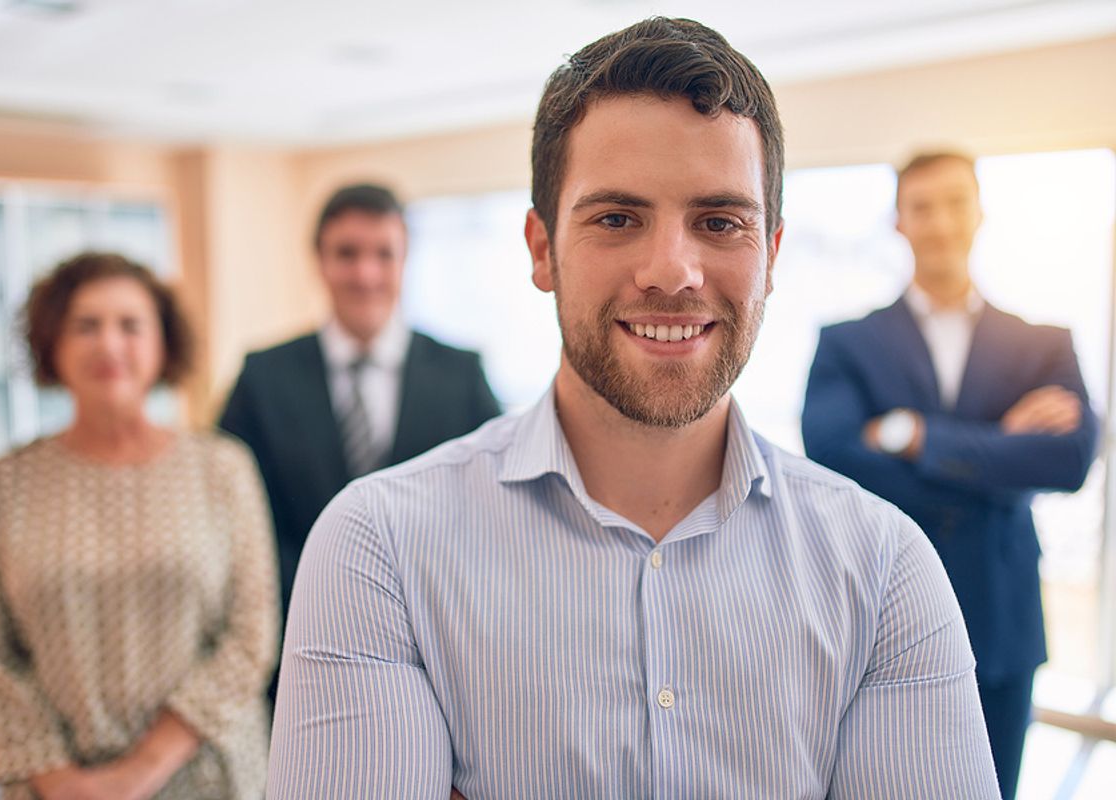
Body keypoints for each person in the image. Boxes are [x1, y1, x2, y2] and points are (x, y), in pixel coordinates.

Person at [267, 18, 1000, 799]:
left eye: (719, 222)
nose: (672, 271)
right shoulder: (379, 548)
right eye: (617, 218)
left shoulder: (884, 569)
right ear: (542, 248)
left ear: (772, 257)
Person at [802, 151, 1098, 799]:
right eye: (922, 207)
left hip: (1001, 617)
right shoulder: (847, 342)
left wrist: (914, 435)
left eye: (955, 202)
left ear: (980, 212)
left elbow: (1070, 459)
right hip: (876, 612)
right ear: (899, 222)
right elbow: (832, 458)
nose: (940, 222)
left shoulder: (1044, 344)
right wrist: (1000, 452)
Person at [0, 252, 279, 800]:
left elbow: (251, 634)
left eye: (130, 325)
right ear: (52, 343)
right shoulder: (9, 482)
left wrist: (138, 773)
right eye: (86, 325)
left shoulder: (223, 469)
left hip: (210, 775)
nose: (109, 344)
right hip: (58, 788)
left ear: (163, 345)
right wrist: (59, 781)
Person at [219, 183, 501, 630]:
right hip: (300, 626)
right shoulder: (262, 377)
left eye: (383, 254)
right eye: (347, 254)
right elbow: (234, 518)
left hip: (436, 628)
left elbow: (495, 506)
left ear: (405, 261)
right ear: (320, 262)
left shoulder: (462, 375)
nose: (365, 274)